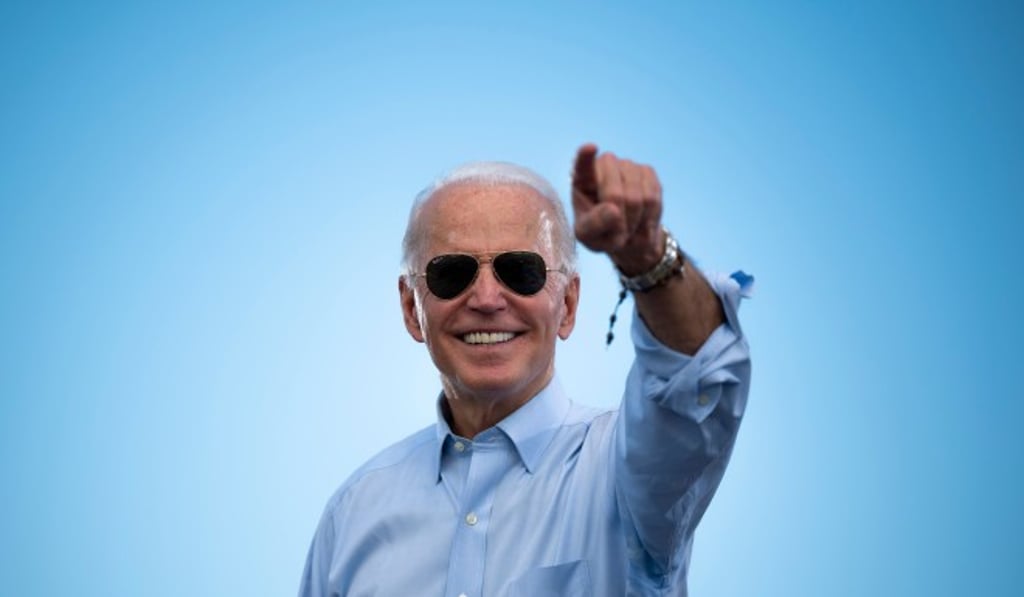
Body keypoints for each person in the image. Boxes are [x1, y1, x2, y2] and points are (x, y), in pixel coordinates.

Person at [299, 143, 752, 596]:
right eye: (451, 273)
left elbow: (698, 372)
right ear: (411, 309)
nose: (486, 299)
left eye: (521, 270)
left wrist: (650, 260)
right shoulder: (353, 514)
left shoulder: (624, 477)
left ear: (568, 305)